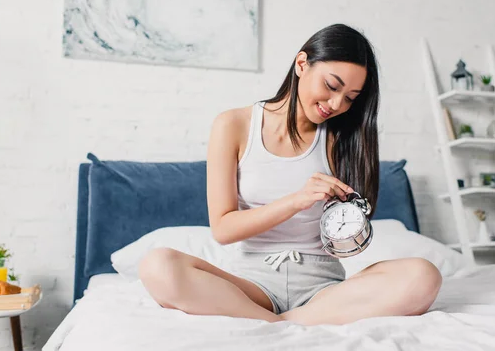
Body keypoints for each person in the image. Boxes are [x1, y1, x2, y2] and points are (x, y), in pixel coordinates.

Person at [139, 23, 442, 326]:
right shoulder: (233, 124)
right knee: (158, 265)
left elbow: (346, 232)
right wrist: (297, 200)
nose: (336, 105)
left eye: (350, 97)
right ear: (301, 64)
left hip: (325, 289)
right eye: (332, 86)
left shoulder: (343, 138)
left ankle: (282, 322)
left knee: (423, 275)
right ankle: (281, 321)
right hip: (251, 287)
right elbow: (222, 229)